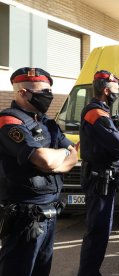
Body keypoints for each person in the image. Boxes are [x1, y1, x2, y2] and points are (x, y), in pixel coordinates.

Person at [0, 67, 78, 275]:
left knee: (43, 269)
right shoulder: (10, 122)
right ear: (22, 93)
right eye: (43, 92)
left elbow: (75, 155)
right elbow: (43, 158)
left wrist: (55, 162)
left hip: (49, 213)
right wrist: (56, 158)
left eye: (50, 91)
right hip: (25, 217)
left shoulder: (46, 123)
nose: (49, 96)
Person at [78, 70, 119, 275]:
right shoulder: (97, 113)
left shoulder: (103, 112)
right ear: (105, 90)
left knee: (102, 230)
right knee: (97, 231)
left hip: (104, 178)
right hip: (99, 179)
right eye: (115, 90)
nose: (117, 94)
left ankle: (92, 271)